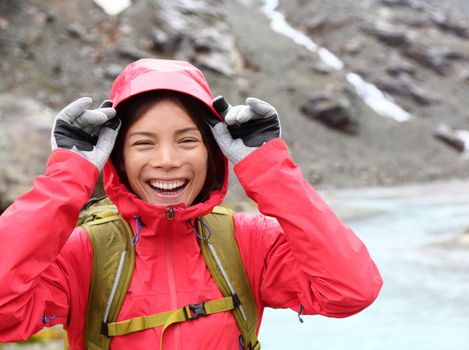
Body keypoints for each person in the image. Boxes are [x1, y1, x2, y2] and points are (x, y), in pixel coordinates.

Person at [0, 59, 382, 349]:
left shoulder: (249, 242)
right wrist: (69, 174)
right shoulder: (83, 253)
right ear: (117, 159)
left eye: (187, 141)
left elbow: (350, 290)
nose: (167, 159)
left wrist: (267, 166)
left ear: (212, 153)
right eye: (143, 143)